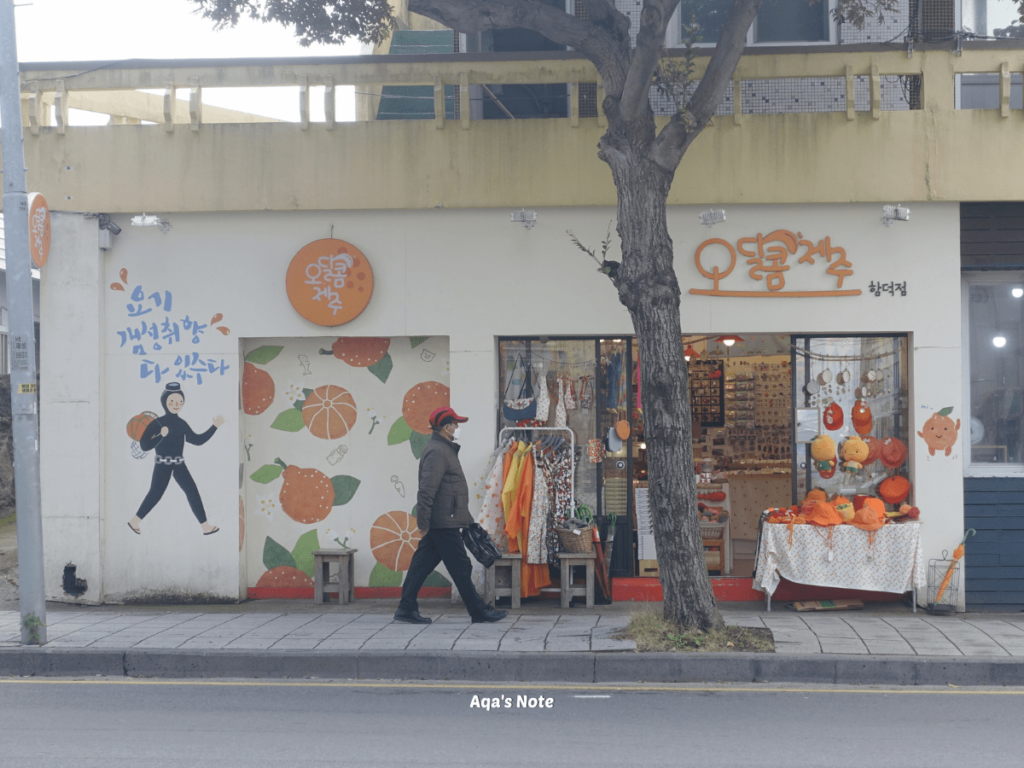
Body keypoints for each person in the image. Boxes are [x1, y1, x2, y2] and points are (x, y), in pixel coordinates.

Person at [394, 407, 508, 624]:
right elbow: (427, 489)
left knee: (421, 564)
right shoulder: (437, 451)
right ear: (447, 427)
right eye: (455, 424)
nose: (457, 428)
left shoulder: (443, 449)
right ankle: (478, 611)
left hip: (446, 519)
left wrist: (465, 519)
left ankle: (406, 608)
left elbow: (451, 490)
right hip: (442, 522)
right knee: (461, 566)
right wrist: (423, 522)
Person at [127, 382, 224, 536]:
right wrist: (160, 436)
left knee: (192, 491)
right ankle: (134, 522)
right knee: (155, 494)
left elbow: (197, 440)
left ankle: (205, 526)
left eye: (179, 401)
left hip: (179, 464)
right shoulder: (157, 423)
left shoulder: (181, 423)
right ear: (165, 402)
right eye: (172, 401)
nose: (176, 404)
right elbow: (145, 445)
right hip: (162, 465)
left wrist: (214, 427)